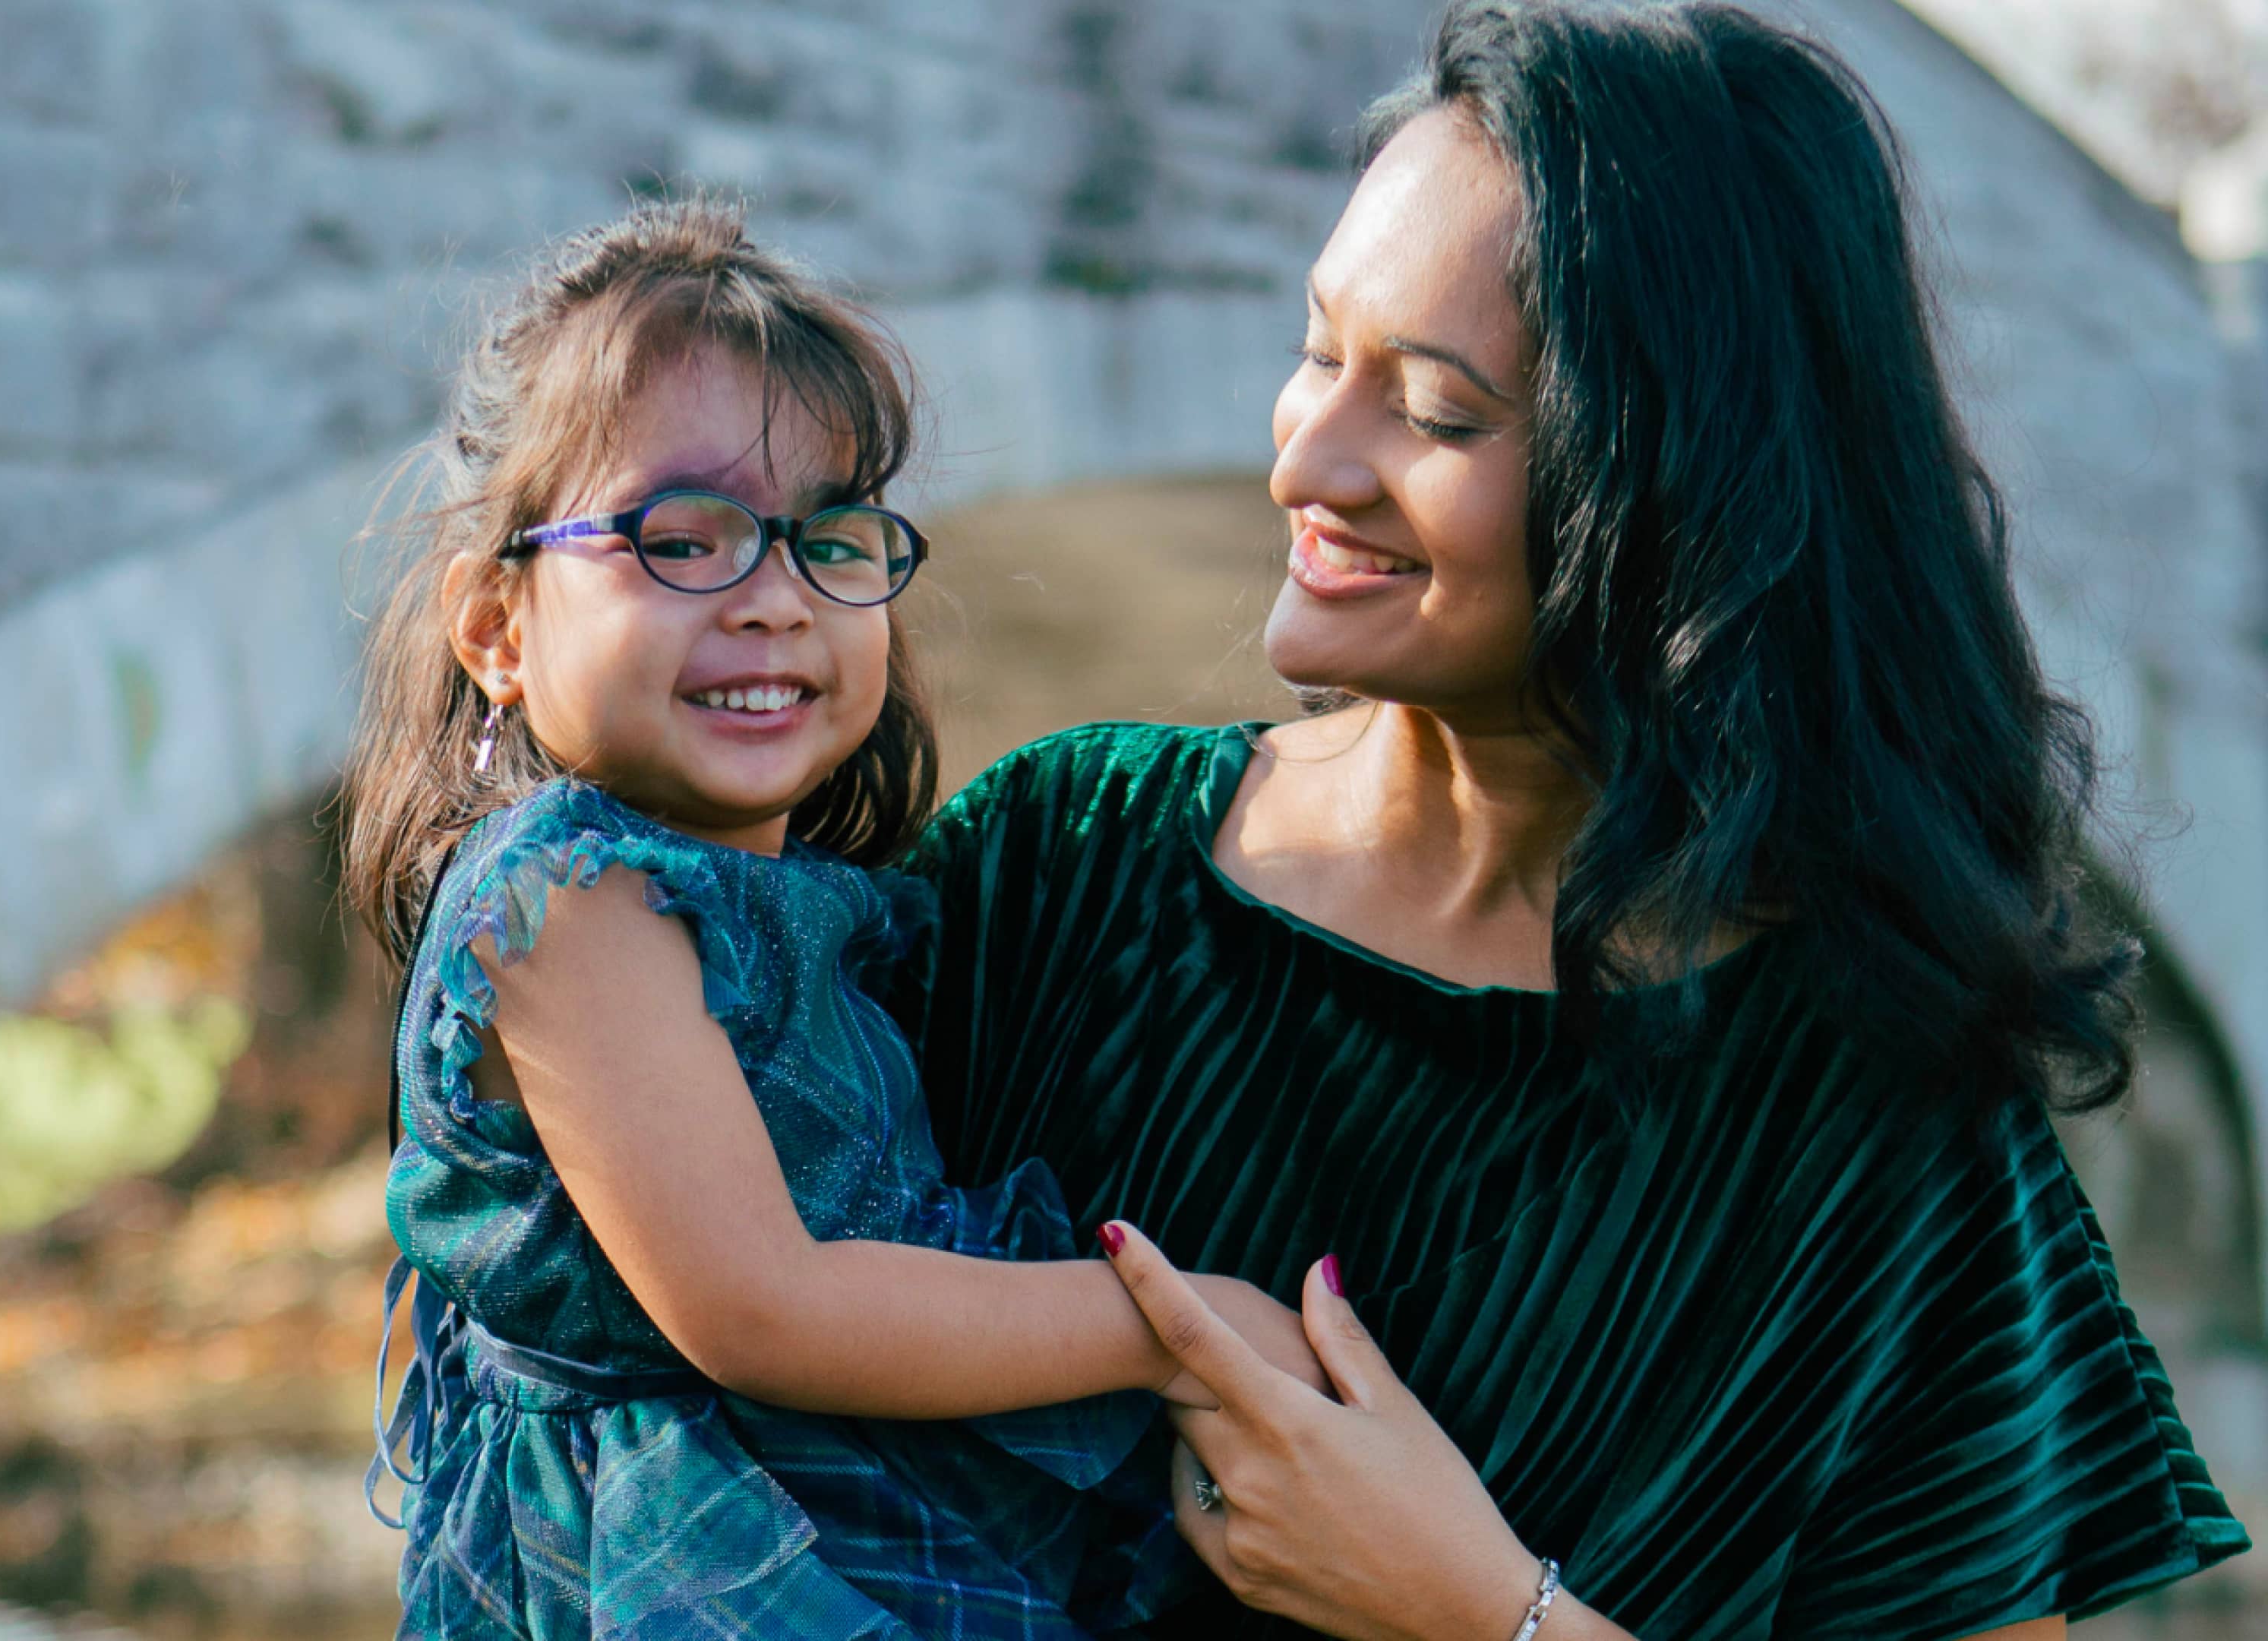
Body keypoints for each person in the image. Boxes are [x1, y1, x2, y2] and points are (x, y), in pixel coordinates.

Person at [889, 4, 2254, 1638]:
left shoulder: (1877, 1122)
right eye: (1321, 352)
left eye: (1439, 412)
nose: (1310, 459)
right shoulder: (1058, 869)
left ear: (1681, 484)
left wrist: (1486, 1613)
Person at [338, 196, 1325, 1639]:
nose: (774, 600)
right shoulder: (566, 900)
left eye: (832, 541)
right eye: (683, 540)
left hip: (858, 1497)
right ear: (495, 629)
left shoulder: (808, 900)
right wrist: (1171, 1324)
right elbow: (765, 1308)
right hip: (687, 1565)